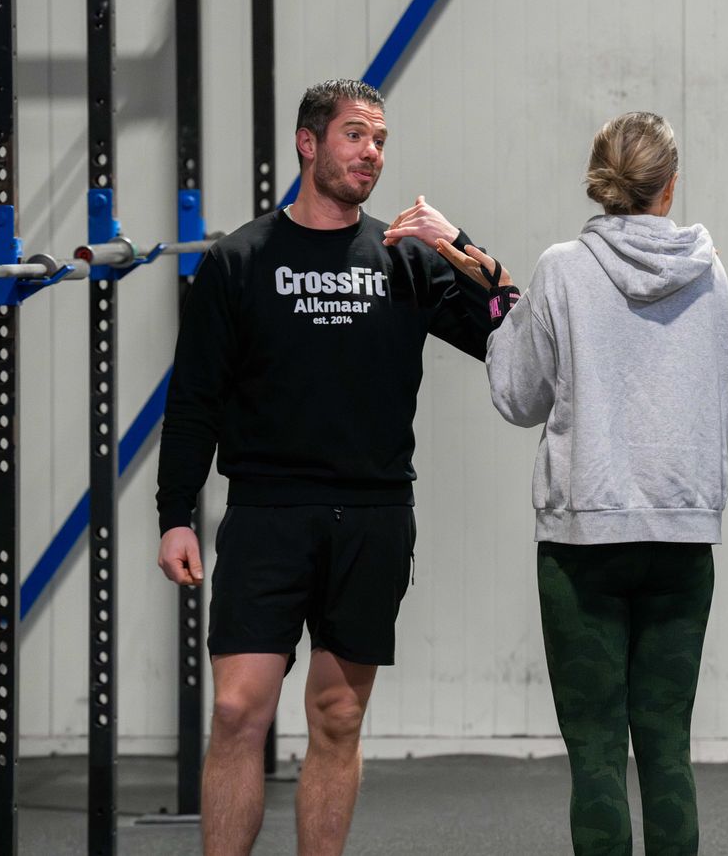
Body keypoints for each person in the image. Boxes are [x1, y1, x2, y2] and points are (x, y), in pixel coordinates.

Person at [154, 79, 517, 856]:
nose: (371, 152)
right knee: (237, 712)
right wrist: (175, 513)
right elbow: (193, 400)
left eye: (380, 139)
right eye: (355, 135)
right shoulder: (239, 260)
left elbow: (510, 329)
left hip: (372, 517)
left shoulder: (406, 259)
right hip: (267, 514)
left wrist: (462, 245)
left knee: (339, 717)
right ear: (308, 142)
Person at [445, 112, 728, 856]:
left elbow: (519, 398)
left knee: (597, 755)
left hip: (584, 540)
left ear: (600, 181)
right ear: (670, 185)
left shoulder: (563, 269)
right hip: (682, 532)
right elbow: (719, 400)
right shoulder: (710, 270)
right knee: (668, 749)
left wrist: (503, 305)